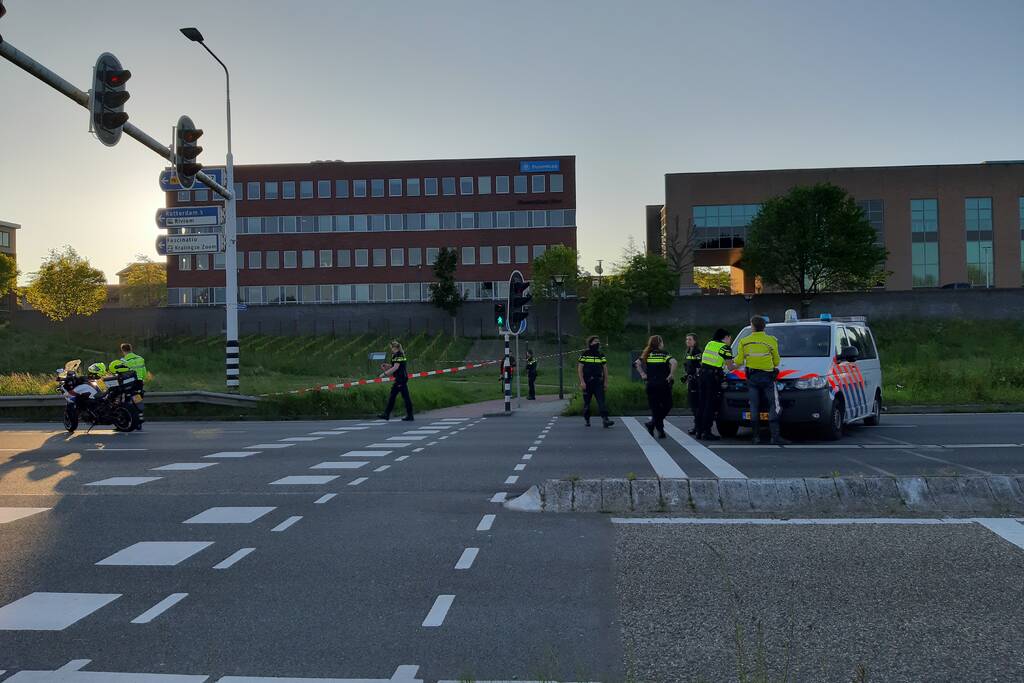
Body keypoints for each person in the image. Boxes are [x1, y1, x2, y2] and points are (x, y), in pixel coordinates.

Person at [735, 316, 788, 445]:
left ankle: (755, 437)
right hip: (767, 377)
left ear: (752, 326)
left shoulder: (744, 341)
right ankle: (774, 436)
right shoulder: (771, 340)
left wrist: (728, 365)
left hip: (752, 378)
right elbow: (776, 361)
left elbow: (739, 361)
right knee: (774, 405)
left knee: (754, 406)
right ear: (764, 327)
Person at [633, 335, 677, 439]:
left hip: (651, 385)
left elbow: (636, 364)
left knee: (655, 409)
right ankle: (655, 426)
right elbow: (674, 362)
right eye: (662, 342)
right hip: (663, 385)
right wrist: (671, 374)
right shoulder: (664, 354)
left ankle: (656, 427)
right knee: (668, 405)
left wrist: (643, 374)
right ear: (660, 343)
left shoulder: (647, 354)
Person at [696, 328, 734, 441]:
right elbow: (731, 367)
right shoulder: (725, 348)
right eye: (730, 338)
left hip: (703, 375)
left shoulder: (710, 343)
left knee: (702, 403)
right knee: (710, 405)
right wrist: (742, 362)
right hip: (712, 377)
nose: (730, 341)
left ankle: (699, 430)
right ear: (726, 337)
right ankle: (707, 432)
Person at [577, 335, 615, 428]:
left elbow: (605, 369)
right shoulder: (585, 354)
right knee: (587, 403)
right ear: (590, 343)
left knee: (601, 401)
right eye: (595, 341)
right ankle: (587, 419)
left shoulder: (601, 355)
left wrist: (606, 382)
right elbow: (580, 368)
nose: (597, 343)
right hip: (587, 382)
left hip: (598, 382)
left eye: (598, 342)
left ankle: (605, 419)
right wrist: (582, 382)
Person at [111, 342, 149, 429]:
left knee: (126, 402)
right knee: (137, 401)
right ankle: (139, 422)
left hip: (129, 382)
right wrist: (143, 380)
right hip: (139, 382)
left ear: (122, 350)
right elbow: (144, 371)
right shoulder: (140, 359)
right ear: (131, 349)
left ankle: (124, 422)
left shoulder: (123, 361)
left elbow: (120, 373)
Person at [378, 340, 414, 421]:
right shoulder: (399, 355)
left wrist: (384, 374)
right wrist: (387, 365)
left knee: (396, 396)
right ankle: (409, 415)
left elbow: (396, 367)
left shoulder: (399, 355)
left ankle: (387, 414)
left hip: (400, 379)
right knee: (399, 396)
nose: (391, 349)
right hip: (401, 378)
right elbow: (396, 365)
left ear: (395, 347)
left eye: (391, 347)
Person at [682, 333, 702, 435]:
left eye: (690, 339)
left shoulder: (697, 351)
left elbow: (699, 366)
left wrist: (695, 378)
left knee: (696, 405)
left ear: (695, 341)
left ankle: (698, 427)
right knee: (693, 405)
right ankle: (697, 426)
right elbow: (687, 366)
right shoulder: (688, 351)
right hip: (690, 381)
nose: (688, 341)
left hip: (696, 382)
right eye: (687, 339)